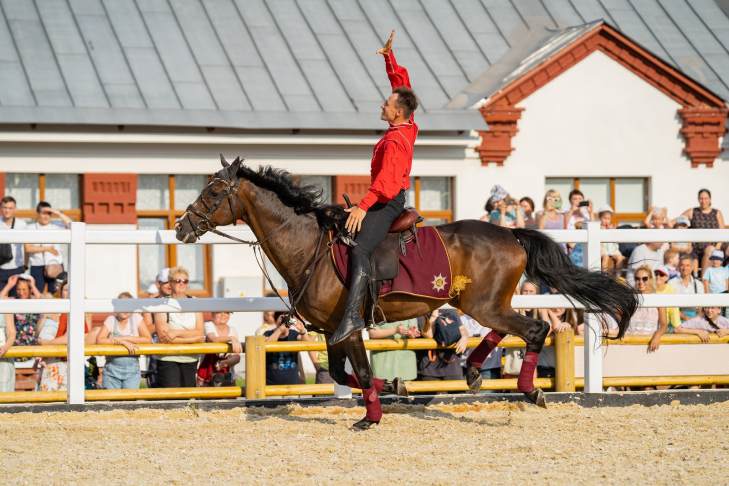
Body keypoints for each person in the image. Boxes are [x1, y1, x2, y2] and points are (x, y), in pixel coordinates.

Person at [329, 30, 419, 345]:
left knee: (361, 247)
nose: (382, 104)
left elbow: (387, 184)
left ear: (397, 111)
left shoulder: (396, 140)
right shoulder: (407, 124)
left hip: (389, 200)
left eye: (386, 103)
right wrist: (389, 59)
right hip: (386, 197)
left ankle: (354, 315)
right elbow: (402, 86)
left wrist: (363, 205)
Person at [153, 266, 205, 388]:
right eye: (178, 281)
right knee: (172, 401)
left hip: (191, 357)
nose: (182, 284)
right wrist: (193, 339)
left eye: (185, 281)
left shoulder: (195, 302)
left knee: (189, 399)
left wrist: (175, 333)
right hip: (168, 358)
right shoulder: (161, 303)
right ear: (170, 283)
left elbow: (200, 332)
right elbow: (163, 337)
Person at [96, 292, 152, 389]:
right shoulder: (111, 319)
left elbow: (148, 339)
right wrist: (122, 342)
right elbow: (100, 340)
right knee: (112, 401)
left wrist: (124, 339)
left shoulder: (136, 318)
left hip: (132, 370)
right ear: (117, 306)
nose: (126, 310)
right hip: (111, 370)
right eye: (123, 306)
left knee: (129, 401)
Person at [25, 201, 71, 294]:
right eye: (43, 213)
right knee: (36, 294)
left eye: (49, 214)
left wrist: (57, 212)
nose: (46, 216)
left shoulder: (56, 225)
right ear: (38, 214)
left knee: (56, 294)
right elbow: (28, 248)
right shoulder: (29, 228)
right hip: (37, 265)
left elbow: (73, 225)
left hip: (55, 265)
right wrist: (48, 249)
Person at [416, 308, 468, 382]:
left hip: (452, 365)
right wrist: (434, 316)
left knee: (457, 393)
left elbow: (462, 329)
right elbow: (429, 335)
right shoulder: (422, 313)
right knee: (431, 393)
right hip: (430, 367)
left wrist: (465, 337)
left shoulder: (451, 311)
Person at [681, 189, 725, 274]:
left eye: (706, 198)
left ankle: (704, 281)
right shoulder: (692, 211)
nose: (703, 201)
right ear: (698, 199)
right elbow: (678, 221)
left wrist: (717, 247)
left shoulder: (717, 213)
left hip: (712, 247)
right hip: (695, 247)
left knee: (710, 250)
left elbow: (722, 233)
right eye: (701, 198)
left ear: (710, 199)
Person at [141, 267, 171, 388]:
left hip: (179, 348)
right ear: (158, 284)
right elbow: (146, 330)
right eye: (164, 282)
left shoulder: (182, 301)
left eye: (171, 281)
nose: (168, 285)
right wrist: (163, 323)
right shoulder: (150, 304)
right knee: (157, 388)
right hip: (157, 353)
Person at [626, 265, 667, 352]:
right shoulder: (630, 299)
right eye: (637, 279)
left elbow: (664, 325)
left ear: (651, 279)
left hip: (650, 344)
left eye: (644, 278)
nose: (641, 282)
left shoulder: (659, 299)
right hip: (630, 344)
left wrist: (657, 336)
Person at [367, 318, 419, 382]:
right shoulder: (375, 308)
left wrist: (412, 332)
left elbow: (414, 332)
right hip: (383, 365)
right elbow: (372, 333)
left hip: (406, 367)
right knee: (384, 390)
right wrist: (395, 330)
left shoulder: (412, 308)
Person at [198, 311, 241, 387]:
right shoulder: (208, 325)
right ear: (212, 314)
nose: (223, 315)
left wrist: (225, 362)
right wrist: (231, 338)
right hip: (207, 375)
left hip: (227, 376)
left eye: (227, 312)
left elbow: (237, 356)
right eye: (219, 312)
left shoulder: (233, 330)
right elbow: (213, 339)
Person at [264, 312, 308, 385]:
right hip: (272, 386)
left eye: (287, 319)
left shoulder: (294, 334)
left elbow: (308, 344)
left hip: (292, 385)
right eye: (282, 318)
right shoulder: (268, 334)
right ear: (275, 321)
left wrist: (302, 330)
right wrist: (280, 330)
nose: (284, 323)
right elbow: (266, 345)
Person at [1, 274, 42, 350]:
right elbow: (1, 300)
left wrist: (33, 286)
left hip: (32, 344)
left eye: (24, 289)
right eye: (18, 289)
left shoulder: (35, 302)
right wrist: (9, 285)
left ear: (30, 290)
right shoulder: (13, 301)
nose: (21, 292)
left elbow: (46, 302)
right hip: (14, 343)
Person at [0, 196, 27, 297]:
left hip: (17, 267)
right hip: (1, 268)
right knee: (1, 302)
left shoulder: (22, 224)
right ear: (1, 208)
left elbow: (27, 246)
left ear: (15, 209)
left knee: (18, 299)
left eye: (10, 208)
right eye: (4, 207)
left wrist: (26, 266)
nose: (7, 210)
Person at [669, 255, 705, 322]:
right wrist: (685, 317)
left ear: (692, 268)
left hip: (695, 317)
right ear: (679, 267)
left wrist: (695, 319)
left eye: (687, 265)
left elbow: (701, 307)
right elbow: (670, 307)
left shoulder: (699, 284)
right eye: (682, 265)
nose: (684, 268)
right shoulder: (671, 283)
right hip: (676, 317)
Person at [598, 206, 625, 276]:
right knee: (605, 257)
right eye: (604, 218)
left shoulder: (612, 227)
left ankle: (618, 275)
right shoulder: (598, 227)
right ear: (600, 218)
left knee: (620, 258)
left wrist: (612, 231)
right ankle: (604, 275)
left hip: (612, 248)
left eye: (608, 219)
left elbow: (616, 239)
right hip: (602, 248)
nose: (606, 221)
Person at [653, 266, 681, 332]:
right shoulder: (648, 288)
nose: (658, 276)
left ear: (667, 278)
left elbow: (674, 311)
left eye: (661, 274)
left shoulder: (671, 291)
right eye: (656, 274)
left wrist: (677, 325)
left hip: (664, 327)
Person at [0, 299, 16, 392]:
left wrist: (5, 347)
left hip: (3, 356)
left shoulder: (4, 302)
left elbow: (12, 333)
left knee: (4, 392)